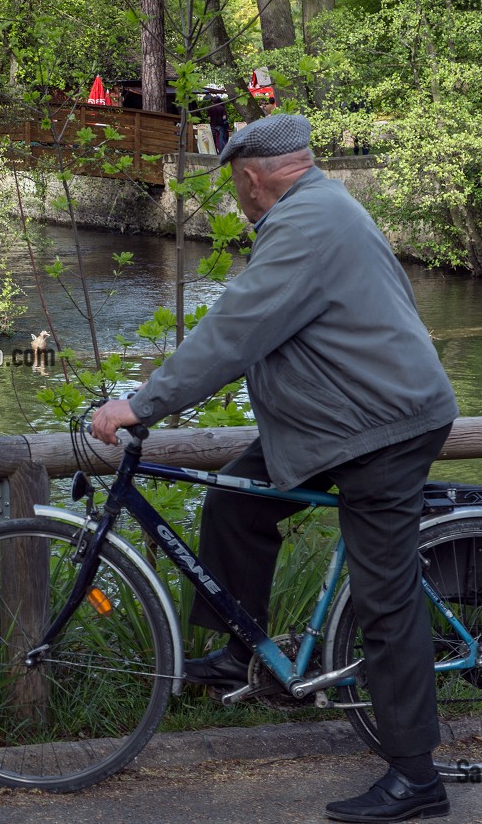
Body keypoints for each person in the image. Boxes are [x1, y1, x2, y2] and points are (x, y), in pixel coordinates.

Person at [90, 114, 458, 823]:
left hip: (379, 430)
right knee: (237, 504)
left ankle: (417, 777)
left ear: (253, 179)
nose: (238, 200)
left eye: (236, 187)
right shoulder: (322, 207)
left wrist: (143, 402)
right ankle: (240, 655)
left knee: (385, 602)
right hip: (338, 421)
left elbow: (235, 331)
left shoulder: (306, 223)